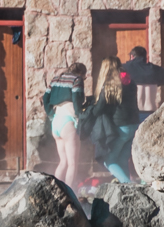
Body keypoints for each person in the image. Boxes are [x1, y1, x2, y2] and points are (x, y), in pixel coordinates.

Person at [88, 56, 139, 183]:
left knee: (109, 161)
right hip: (134, 126)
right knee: (122, 160)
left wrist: (89, 108)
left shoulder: (110, 86)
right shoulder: (130, 82)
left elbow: (98, 109)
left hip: (120, 128)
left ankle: (129, 186)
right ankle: (128, 192)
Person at [42, 62, 86, 191]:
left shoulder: (55, 79)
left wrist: (50, 114)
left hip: (56, 121)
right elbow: (77, 99)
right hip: (68, 122)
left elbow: (45, 98)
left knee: (63, 162)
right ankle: (69, 194)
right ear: (80, 73)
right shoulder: (77, 79)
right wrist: (79, 116)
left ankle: (54, 192)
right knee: (72, 164)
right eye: (85, 77)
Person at [121, 46, 164, 122]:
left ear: (132, 56)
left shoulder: (125, 68)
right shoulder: (156, 70)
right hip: (151, 113)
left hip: (134, 113)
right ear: (146, 57)